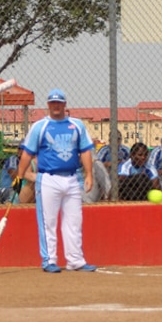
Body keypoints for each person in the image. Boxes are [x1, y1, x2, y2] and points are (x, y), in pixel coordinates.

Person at [16, 88, 97, 273]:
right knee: (48, 221)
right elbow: (27, 153)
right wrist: (19, 177)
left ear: (64, 104)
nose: (56, 107)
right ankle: (49, 260)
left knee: (74, 221)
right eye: (53, 103)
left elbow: (85, 150)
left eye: (59, 103)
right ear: (48, 105)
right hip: (48, 179)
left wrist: (89, 174)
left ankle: (75, 260)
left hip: (71, 178)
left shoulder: (76, 125)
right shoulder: (40, 126)